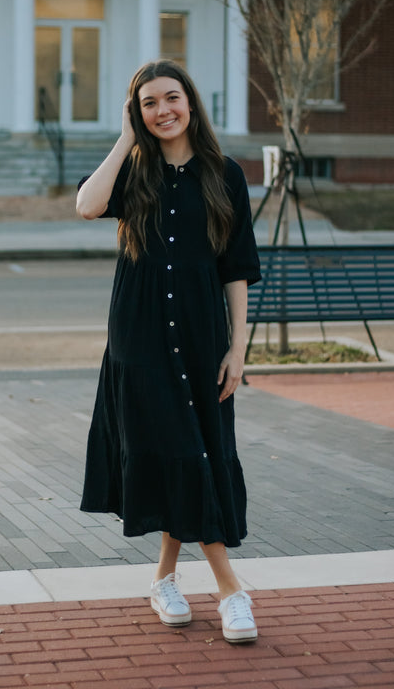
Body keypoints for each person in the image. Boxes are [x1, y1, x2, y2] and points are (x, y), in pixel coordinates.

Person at [76, 60, 261, 643]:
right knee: (179, 452)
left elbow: (237, 269)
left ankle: (162, 578)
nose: (163, 110)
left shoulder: (225, 174)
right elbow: (85, 205)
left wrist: (238, 348)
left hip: (204, 336)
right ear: (137, 112)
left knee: (198, 451)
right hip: (141, 338)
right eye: (148, 103)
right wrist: (125, 138)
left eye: (171, 98)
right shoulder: (133, 173)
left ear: (190, 102)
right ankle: (231, 588)